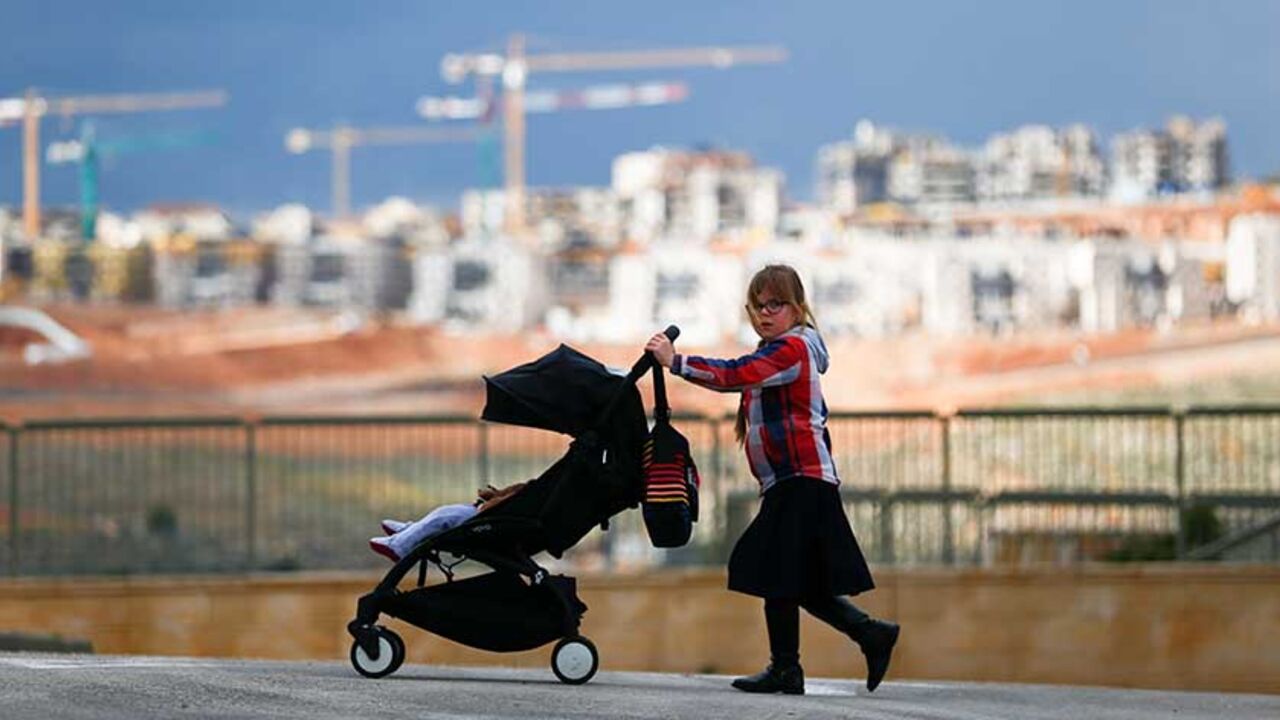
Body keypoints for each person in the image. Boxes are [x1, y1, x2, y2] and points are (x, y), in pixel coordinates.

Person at [644, 264, 900, 696]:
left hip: (801, 481)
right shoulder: (779, 351)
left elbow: (734, 374)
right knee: (790, 576)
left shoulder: (792, 350)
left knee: (768, 566)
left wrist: (677, 362)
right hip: (792, 483)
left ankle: (795, 663)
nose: (765, 313)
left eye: (775, 304)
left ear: (797, 308)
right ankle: (862, 637)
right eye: (758, 306)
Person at [369, 482, 526, 562]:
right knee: (443, 513)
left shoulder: (539, 488)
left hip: (489, 520)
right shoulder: (539, 488)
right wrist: (497, 494)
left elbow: (512, 499)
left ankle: (400, 546)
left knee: (444, 517)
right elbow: (517, 491)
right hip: (490, 516)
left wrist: (492, 501)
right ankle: (410, 531)